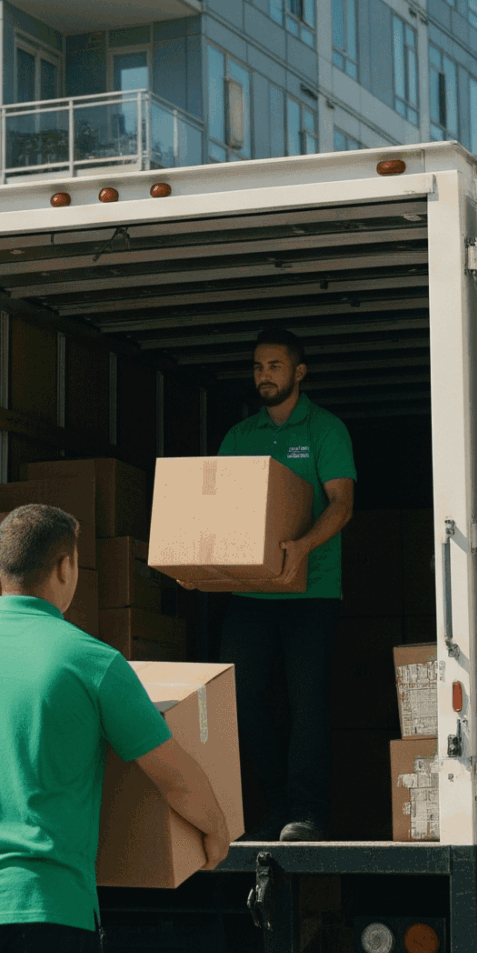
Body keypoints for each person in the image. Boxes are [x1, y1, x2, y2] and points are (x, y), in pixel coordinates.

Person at [0, 504, 232, 953]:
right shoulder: (91, 661)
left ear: (1, 569)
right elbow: (174, 776)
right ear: (65, 568)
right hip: (47, 910)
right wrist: (215, 831)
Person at [213, 326, 356, 842]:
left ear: (299, 372)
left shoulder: (325, 430)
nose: (264, 376)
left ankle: (307, 812)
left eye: (274, 366)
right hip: (251, 593)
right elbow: (219, 511)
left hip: (310, 590)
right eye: (257, 367)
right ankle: (274, 803)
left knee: (307, 700)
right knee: (240, 695)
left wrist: (302, 547)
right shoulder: (240, 436)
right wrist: (201, 565)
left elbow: (342, 503)